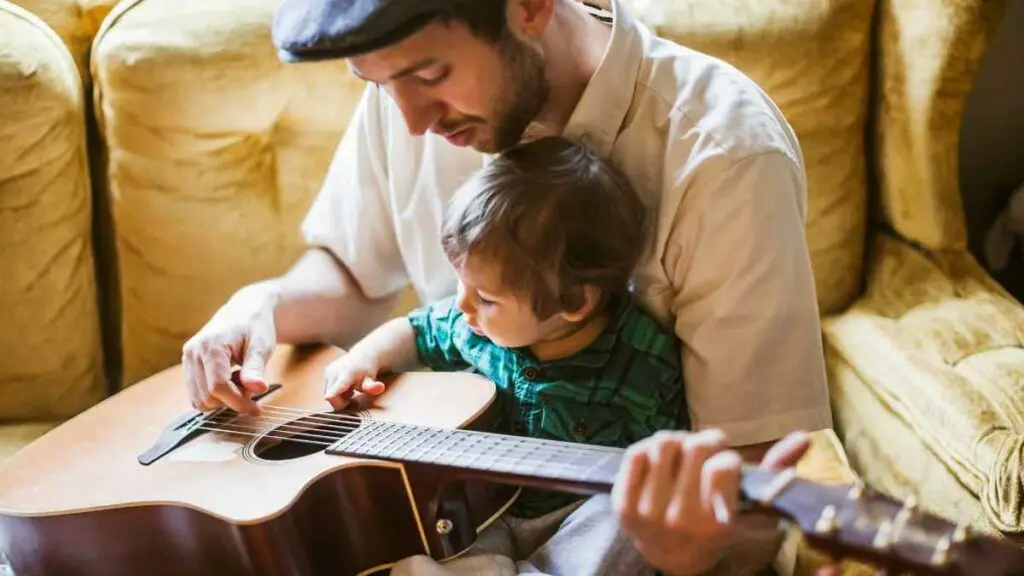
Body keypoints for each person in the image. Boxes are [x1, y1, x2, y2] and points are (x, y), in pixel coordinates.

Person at [181, 0, 834, 573]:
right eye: (377, 83)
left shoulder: (725, 156)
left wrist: (687, 554)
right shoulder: (404, 97)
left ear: (531, 5)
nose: (409, 120)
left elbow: (754, 488)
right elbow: (355, 273)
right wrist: (257, 306)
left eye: (429, 74)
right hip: (462, 514)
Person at [324, 135, 687, 574]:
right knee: (425, 532)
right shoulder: (470, 325)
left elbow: (670, 467)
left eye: (487, 297)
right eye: (462, 283)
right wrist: (361, 358)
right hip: (486, 507)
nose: (462, 305)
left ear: (574, 303)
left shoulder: (642, 363)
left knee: (622, 517)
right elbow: (414, 329)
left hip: (575, 516)